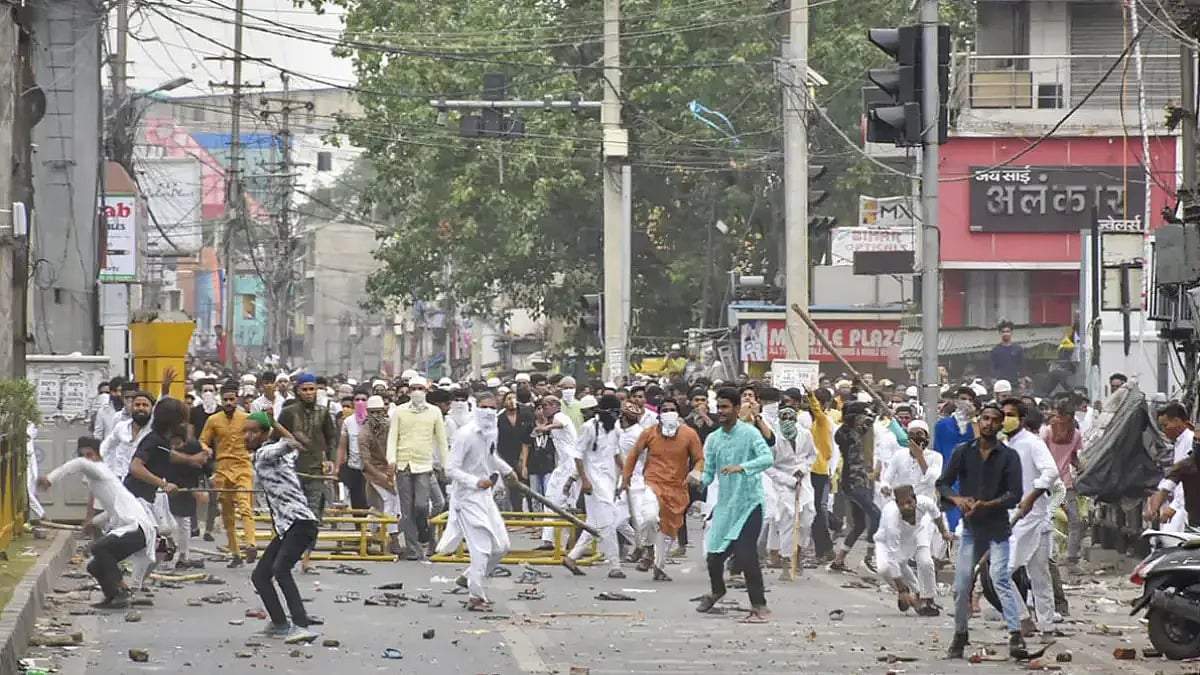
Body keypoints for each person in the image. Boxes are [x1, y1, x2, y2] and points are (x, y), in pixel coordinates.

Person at [938, 403, 1027, 659]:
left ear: (1000, 425)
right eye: (985, 419)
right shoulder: (963, 452)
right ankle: (960, 634)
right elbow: (943, 484)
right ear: (979, 422)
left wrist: (987, 504)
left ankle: (1015, 635)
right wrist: (958, 500)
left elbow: (1015, 494)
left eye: (994, 420)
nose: (988, 424)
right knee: (961, 584)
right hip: (971, 528)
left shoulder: (1009, 456)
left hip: (997, 527)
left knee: (999, 577)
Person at [40, 437, 158, 609]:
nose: (87, 460)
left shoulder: (101, 470)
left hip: (138, 528)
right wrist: (93, 522)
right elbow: (111, 512)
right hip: (132, 529)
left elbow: (80, 464)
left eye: (90, 455)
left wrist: (50, 478)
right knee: (95, 566)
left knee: (99, 548)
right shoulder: (98, 481)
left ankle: (121, 590)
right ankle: (112, 597)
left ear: (99, 456)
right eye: (83, 455)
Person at [694, 387, 774, 623]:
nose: (721, 412)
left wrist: (743, 467)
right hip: (727, 506)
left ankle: (759, 604)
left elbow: (767, 458)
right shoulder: (713, 439)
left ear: (737, 409)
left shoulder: (749, 434)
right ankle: (717, 590)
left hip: (750, 503)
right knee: (714, 556)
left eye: (725, 407)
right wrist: (697, 482)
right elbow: (708, 472)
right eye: (718, 407)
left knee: (746, 554)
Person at [244, 412, 322, 643]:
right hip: (286, 526)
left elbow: (287, 446)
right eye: (245, 431)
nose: (247, 435)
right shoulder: (276, 456)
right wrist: (280, 429)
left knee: (281, 570)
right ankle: (279, 623)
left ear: (264, 433)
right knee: (260, 576)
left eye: (253, 431)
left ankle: (301, 625)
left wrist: (283, 434)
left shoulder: (265, 453)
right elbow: (292, 447)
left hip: (300, 522)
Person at [437, 391, 516, 611]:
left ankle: (468, 576)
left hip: (485, 496)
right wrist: (475, 482)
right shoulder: (465, 435)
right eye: (484, 407)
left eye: (493, 407)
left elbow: (491, 456)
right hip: (466, 497)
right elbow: (450, 469)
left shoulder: (493, 431)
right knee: (481, 548)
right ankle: (475, 595)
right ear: (476, 408)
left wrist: (508, 471)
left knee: (501, 547)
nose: (489, 412)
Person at [622, 398, 704, 581]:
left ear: (678, 413)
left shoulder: (689, 434)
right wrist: (626, 478)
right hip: (653, 483)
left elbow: (699, 458)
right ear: (658, 415)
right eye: (665, 409)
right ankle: (648, 550)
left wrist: (696, 471)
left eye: (672, 409)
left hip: (677, 488)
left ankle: (659, 567)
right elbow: (633, 454)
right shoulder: (649, 433)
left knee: (668, 530)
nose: (668, 412)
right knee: (649, 518)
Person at [1001, 398, 1059, 640]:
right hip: (1013, 520)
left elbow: (1051, 472)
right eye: (1002, 415)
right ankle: (1024, 618)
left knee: (1039, 576)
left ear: (1021, 419)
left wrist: (1033, 494)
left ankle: (1047, 625)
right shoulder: (1003, 446)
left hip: (1035, 518)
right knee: (1003, 572)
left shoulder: (1033, 444)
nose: (1005, 420)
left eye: (1010, 415)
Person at [277, 373, 339, 572]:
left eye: (312, 389)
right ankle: (284, 558)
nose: (309, 393)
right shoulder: (288, 412)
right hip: (291, 471)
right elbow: (275, 437)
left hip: (315, 471)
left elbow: (332, 439)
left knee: (312, 517)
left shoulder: (323, 412)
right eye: (305, 389)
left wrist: (330, 460)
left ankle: (306, 560)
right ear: (298, 391)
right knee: (289, 516)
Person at [383, 375, 448, 560]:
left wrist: (446, 465)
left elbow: (442, 441)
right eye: (414, 389)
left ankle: (423, 530)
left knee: (421, 505)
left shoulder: (434, 412)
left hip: (424, 464)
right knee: (406, 510)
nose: (417, 392)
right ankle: (413, 549)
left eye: (420, 388)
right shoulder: (400, 412)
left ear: (426, 391)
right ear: (409, 391)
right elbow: (392, 438)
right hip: (403, 463)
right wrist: (391, 460)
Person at [561, 394, 626, 578]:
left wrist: (627, 475)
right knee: (608, 523)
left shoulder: (615, 429)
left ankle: (571, 558)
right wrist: (584, 480)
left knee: (595, 523)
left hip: (609, 481)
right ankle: (615, 566)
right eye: (613, 413)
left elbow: (616, 454)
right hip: (594, 483)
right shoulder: (589, 428)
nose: (616, 417)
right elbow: (578, 455)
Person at [200, 382, 259, 568]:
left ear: (237, 400)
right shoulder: (213, 420)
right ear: (221, 400)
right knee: (227, 514)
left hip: (242, 466)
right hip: (223, 469)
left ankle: (251, 544)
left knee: (245, 505)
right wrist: (206, 449)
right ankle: (235, 553)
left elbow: (262, 436)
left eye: (232, 399)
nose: (228, 403)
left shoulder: (247, 418)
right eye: (225, 400)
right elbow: (203, 441)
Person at [876, 485, 951, 616]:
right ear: (896, 504)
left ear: (915, 499)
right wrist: (901, 590)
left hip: (917, 532)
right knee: (885, 568)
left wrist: (944, 532)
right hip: (887, 540)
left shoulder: (925, 502)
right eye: (902, 504)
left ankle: (927, 598)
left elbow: (936, 514)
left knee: (926, 562)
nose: (906, 507)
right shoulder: (892, 519)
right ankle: (912, 595)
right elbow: (892, 556)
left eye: (909, 502)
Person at [764, 403, 816, 581]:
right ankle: (786, 563)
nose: (787, 422)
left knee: (807, 518)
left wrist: (803, 468)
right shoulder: (773, 438)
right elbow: (767, 466)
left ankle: (799, 554)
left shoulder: (805, 434)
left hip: (803, 481)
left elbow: (811, 455)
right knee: (787, 521)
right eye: (784, 418)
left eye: (791, 418)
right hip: (783, 483)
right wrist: (788, 480)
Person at [831, 402, 880, 572]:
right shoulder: (844, 433)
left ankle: (839, 560)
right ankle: (869, 557)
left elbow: (869, 421)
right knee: (876, 515)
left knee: (859, 523)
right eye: (860, 415)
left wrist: (876, 408)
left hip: (860, 480)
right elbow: (860, 428)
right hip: (852, 481)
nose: (863, 419)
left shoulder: (857, 429)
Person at [166, 428, 213, 569]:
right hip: (167, 485)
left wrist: (209, 478)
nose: (175, 448)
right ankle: (167, 549)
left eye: (178, 444)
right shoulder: (164, 447)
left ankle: (183, 556)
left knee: (184, 522)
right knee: (166, 524)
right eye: (172, 444)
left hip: (188, 485)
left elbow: (203, 465)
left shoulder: (194, 446)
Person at [335, 390, 370, 511]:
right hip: (353, 466)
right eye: (357, 400)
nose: (360, 402)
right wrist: (337, 466)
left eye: (363, 400)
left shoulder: (373, 421)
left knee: (368, 498)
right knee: (356, 498)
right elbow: (342, 446)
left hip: (371, 467)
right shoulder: (348, 422)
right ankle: (359, 527)